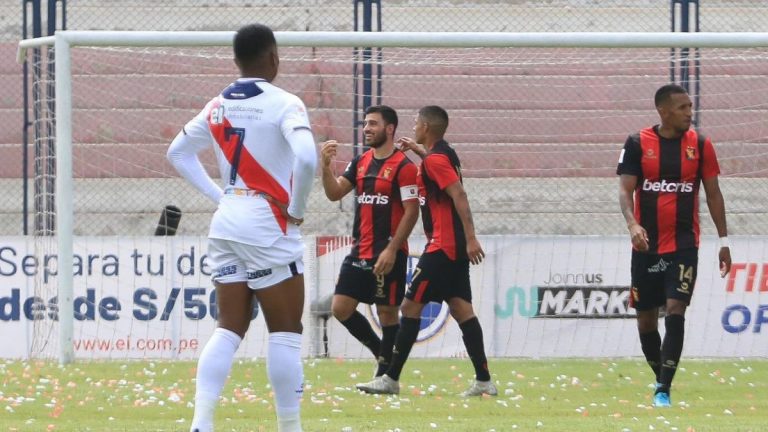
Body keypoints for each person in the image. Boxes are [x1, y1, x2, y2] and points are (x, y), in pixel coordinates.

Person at [166, 24, 317, 432]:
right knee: (286, 331)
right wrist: (296, 210)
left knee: (229, 326)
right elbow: (306, 160)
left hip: (227, 220)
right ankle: (290, 427)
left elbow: (177, 153)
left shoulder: (216, 106)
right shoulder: (286, 103)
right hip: (269, 223)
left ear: (236, 60)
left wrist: (221, 197)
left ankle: (201, 423)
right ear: (273, 58)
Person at [356, 105, 497, 397]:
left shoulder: (434, 161)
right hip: (453, 248)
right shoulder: (442, 155)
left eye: (417, 123)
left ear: (426, 127)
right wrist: (420, 152)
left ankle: (390, 378)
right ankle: (484, 381)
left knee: (409, 307)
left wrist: (472, 237)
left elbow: (458, 194)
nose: (414, 127)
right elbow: (439, 173)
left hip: (442, 248)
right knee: (461, 310)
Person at [616, 84, 731, 408]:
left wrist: (724, 241)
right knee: (646, 320)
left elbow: (713, 193)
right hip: (646, 244)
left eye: (690, 107)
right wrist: (633, 224)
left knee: (676, 308)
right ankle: (660, 377)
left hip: (683, 244)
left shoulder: (702, 145)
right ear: (663, 111)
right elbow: (625, 191)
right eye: (682, 108)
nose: (689, 113)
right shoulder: (638, 143)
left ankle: (663, 388)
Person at [320, 105, 420, 378]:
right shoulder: (360, 162)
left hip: (389, 252)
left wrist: (391, 249)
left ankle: (386, 375)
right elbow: (335, 193)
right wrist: (325, 167)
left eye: (373, 124)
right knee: (340, 308)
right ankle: (382, 354)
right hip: (359, 251)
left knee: (388, 313)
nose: (366, 129)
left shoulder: (404, 167)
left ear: (389, 129)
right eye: (365, 124)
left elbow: (412, 211)